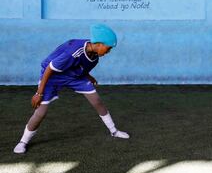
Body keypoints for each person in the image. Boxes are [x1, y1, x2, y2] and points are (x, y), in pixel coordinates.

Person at [14, 24, 130, 154]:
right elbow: (50, 69)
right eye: (108, 49)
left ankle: (114, 131)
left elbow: (83, 67)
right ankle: (23, 142)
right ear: (98, 44)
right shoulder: (73, 52)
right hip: (53, 76)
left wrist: (89, 77)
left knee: (97, 101)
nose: (108, 52)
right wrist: (39, 92)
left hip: (74, 76)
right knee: (41, 112)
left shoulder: (95, 57)